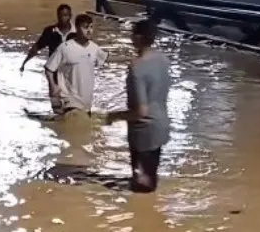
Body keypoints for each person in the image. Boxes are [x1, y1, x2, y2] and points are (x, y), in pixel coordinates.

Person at [107, 19, 171, 193]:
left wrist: (114, 116)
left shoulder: (137, 68)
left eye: (132, 33)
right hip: (161, 127)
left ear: (139, 37)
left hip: (143, 133)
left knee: (140, 187)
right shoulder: (163, 60)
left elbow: (140, 112)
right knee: (150, 182)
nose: (130, 37)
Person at [44, 14, 107, 119]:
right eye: (85, 27)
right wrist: (53, 86)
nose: (89, 31)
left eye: (91, 27)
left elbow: (106, 58)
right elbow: (49, 68)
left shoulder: (94, 48)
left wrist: (132, 59)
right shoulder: (65, 48)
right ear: (77, 28)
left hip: (87, 101)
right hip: (70, 100)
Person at [21, 4, 76, 112]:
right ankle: (58, 116)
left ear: (70, 16)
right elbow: (37, 47)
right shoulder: (50, 32)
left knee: (72, 102)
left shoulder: (77, 33)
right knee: (55, 100)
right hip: (54, 73)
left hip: (71, 73)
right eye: (60, 15)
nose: (62, 18)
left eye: (65, 15)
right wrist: (25, 62)